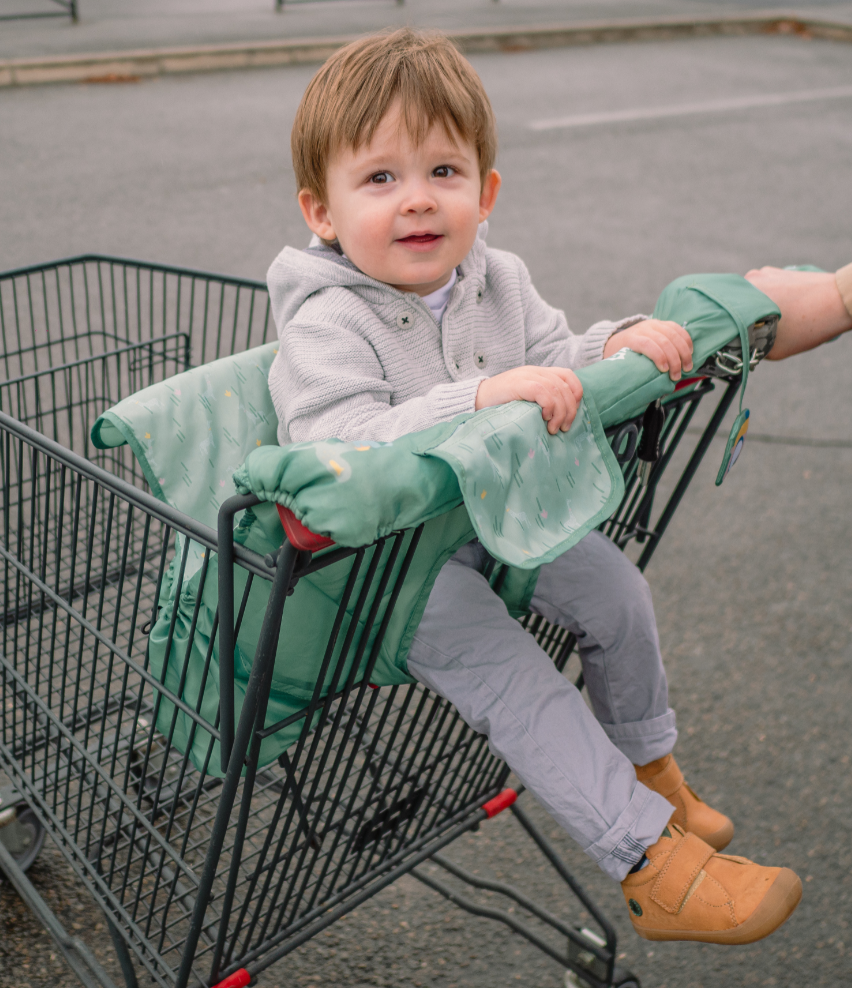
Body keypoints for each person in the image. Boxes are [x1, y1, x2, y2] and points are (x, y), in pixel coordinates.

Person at [266, 28, 804, 944]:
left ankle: (650, 771)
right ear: (322, 211)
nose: (419, 200)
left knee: (615, 591)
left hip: (490, 516)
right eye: (381, 179)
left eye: (444, 170)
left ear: (487, 193)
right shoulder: (325, 322)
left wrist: (623, 341)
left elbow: (556, 359)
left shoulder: (496, 278)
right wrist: (477, 396)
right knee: (520, 682)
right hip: (388, 571)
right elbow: (334, 442)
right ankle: (650, 870)